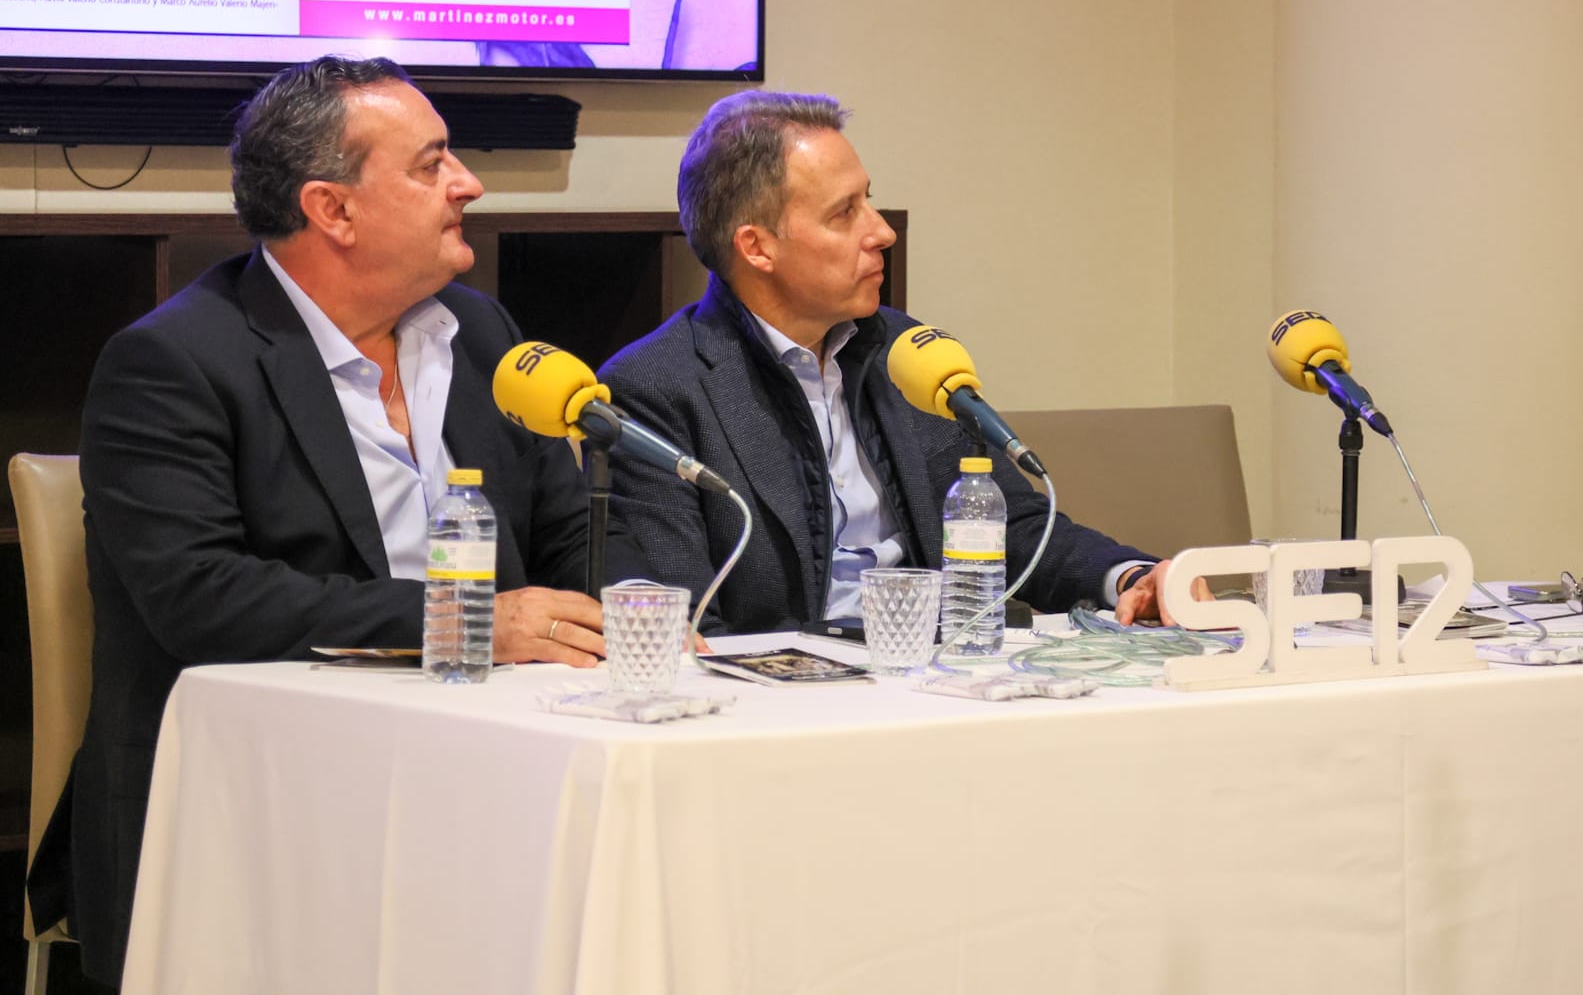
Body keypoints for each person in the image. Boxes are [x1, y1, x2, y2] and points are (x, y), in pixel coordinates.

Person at [27, 56, 601, 984]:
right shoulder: (174, 362)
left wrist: (627, 615)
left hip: (488, 762)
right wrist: (468, 623)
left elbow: (567, 538)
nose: (468, 184)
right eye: (432, 164)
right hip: (249, 800)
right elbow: (202, 599)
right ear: (332, 209)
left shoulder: (481, 335)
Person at [601, 91, 1192, 634]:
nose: (882, 232)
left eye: (869, 200)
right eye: (844, 213)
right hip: (783, 695)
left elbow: (1010, 529)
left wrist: (1128, 577)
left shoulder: (906, 352)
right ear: (757, 247)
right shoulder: (656, 388)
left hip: (933, 674)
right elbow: (681, 620)